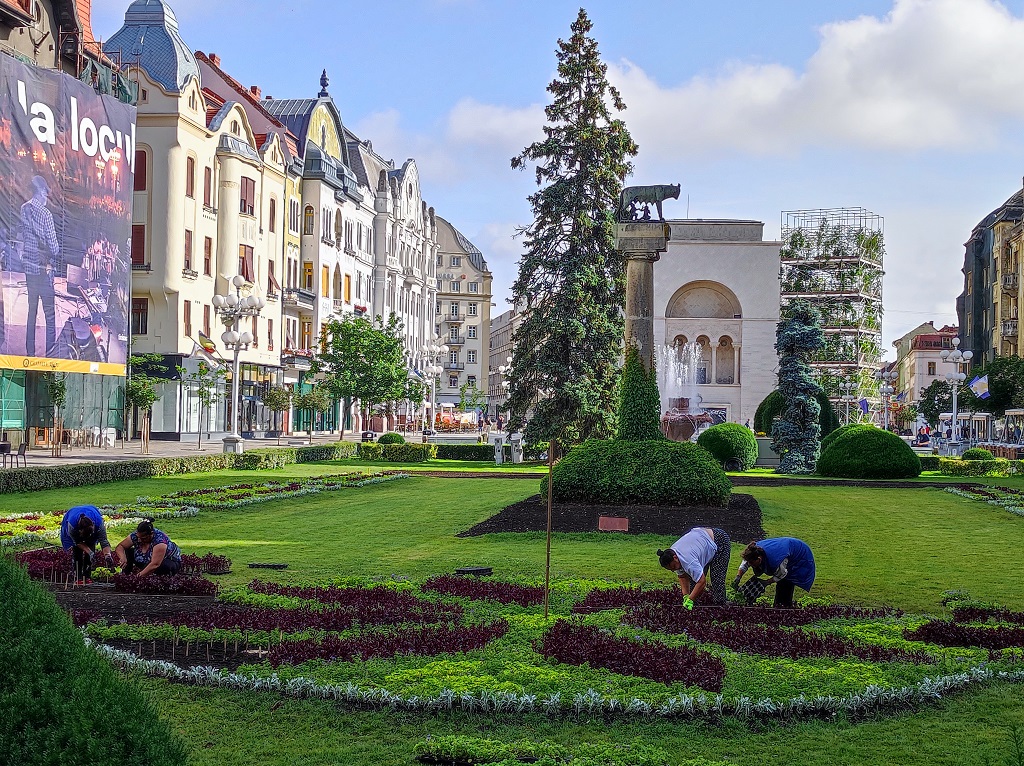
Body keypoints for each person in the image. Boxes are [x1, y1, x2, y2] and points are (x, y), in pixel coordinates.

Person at [20, 175, 59, 358]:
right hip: (43, 270)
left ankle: (30, 352)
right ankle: (50, 353)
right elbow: (54, 247)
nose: (47, 198)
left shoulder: (24, 209)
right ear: (42, 191)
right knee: (50, 315)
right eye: (46, 193)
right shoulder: (46, 215)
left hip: (29, 269)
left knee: (31, 310)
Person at [657, 527, 731, 607]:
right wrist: (686, 596)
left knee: (717, 578)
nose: (674, 570)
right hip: (702, 545)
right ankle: (695, 606)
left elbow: (702, 582)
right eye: (671, 569)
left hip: (719, 540)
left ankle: (720, 606)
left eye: (674, 567)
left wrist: (691, 599)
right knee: (694, 584)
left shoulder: (688, 561)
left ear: (675, 557)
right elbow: (682, 576)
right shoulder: (671, 554)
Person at [733, 537, 815, 608]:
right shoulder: (753, 551)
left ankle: (783, 608)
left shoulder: (776, 559)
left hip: (800, 555)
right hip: (785, 547)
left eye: (752, 563)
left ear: (759, 559)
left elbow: (781, 574)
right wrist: (738, 577)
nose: (750, 565)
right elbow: (745, 563)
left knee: (785, 583)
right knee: (782, 584)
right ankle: (780, 607)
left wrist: (766, 582)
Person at [59, 505, 114, 584]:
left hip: (91, 513)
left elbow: (104, 541)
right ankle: (78, 577)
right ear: (80, 530)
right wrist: (90, 552)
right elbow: (77, 542)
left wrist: (107, 555)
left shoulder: (99, 523)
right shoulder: (72, 525)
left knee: (91, 550)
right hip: (72, 516)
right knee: (76, 552)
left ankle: (87, 576)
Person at [113, 520, 182, 577]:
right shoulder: (136, 536)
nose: (139, 540)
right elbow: (120, 546)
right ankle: (125, 575)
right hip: (145, 560)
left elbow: (155, 564)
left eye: (143, 538)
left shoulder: (160, 542)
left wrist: (137, 577)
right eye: (138, 537)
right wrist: (123, 557)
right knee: (127, 551)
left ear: (151, 534)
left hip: (167, 562)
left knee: (163, 565)